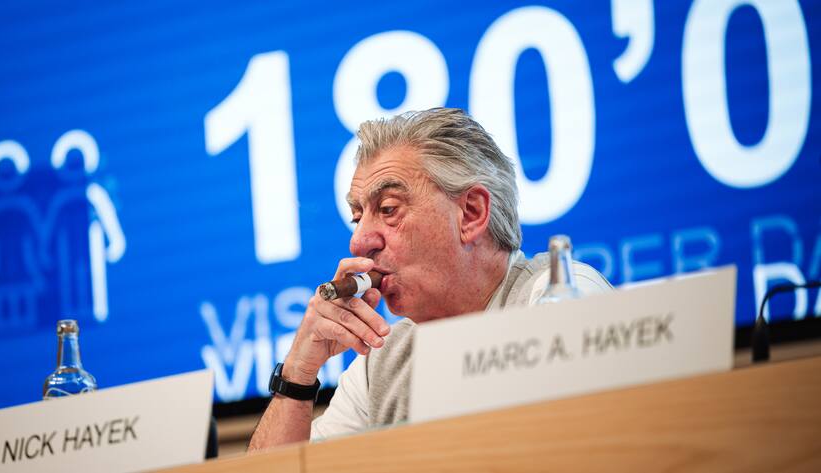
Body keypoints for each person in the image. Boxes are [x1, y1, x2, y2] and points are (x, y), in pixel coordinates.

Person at [248, 107, 611, 451]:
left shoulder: (560, 296)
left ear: (470, 213)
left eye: (388, 210)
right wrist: (298, 372)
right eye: (358, 217)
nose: (359, 242)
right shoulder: (381, 362)